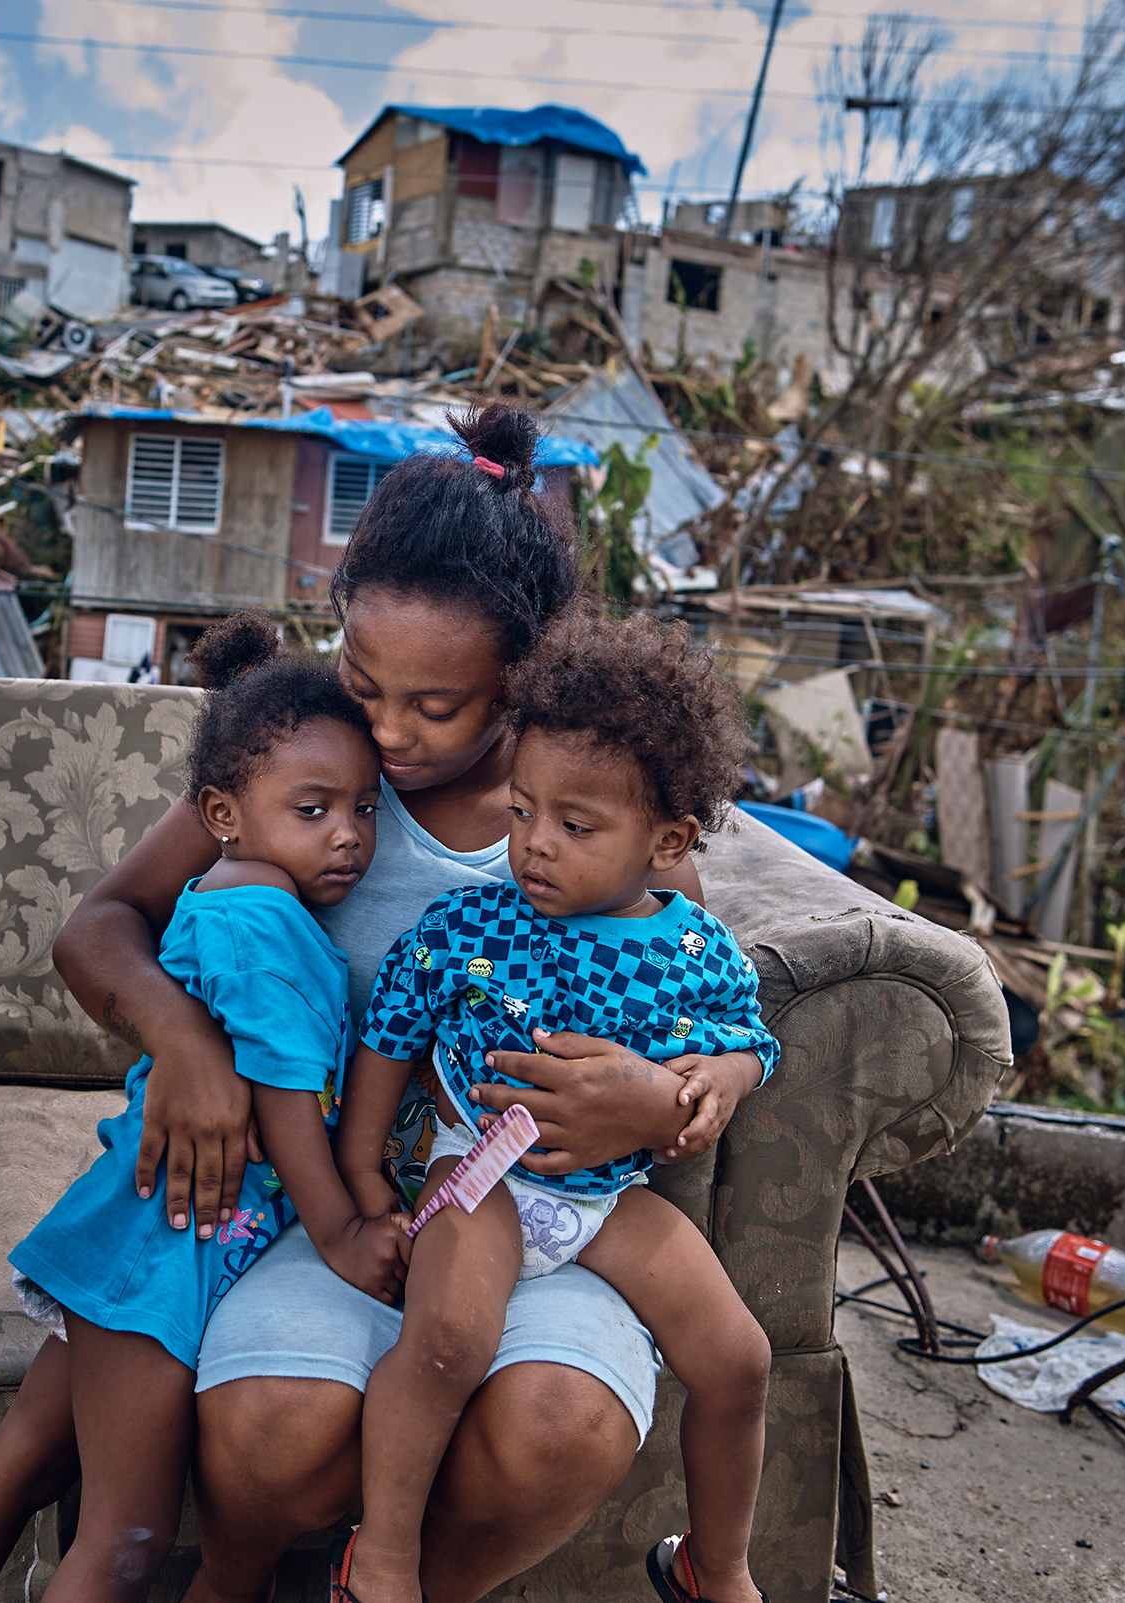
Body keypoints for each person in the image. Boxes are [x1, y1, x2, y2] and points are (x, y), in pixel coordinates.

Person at [52, 405, 777, 1603]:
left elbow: (702, 1021)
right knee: (274, 1423)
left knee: (561, 1422)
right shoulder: (313, 767)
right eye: (361, 679)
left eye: (433, 707)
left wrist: (656, 1103)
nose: (386, 732)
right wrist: (181, 1038)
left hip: (554, 1218)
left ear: (522, 677)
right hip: (326, 1201)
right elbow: (97, 927)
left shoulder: (593, 828)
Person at [0, 613, 401, 1603]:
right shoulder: (268, 925)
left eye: (362, 807)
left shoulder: (225, 897)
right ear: (221, 811)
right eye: (312, 809)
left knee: (20, 1468)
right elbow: (283, 1097)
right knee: (124, 1538)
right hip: (171, 1244)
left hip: (139, 1227)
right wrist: (342, 1231)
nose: (347, 833)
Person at [333, 612, 778, 1603]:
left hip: (603, 1199)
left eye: (575, 827)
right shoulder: (471, 924)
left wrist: (721, 1082)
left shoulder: (696, 948)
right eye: (522, 809)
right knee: (447, 1336)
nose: (532, 845)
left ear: (666, 840)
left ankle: (719, 1566)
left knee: (737, 1356)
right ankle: (386, 1556)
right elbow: (390, 1030)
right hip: (472, 1171)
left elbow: (746, 1040)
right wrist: (363, 1169)